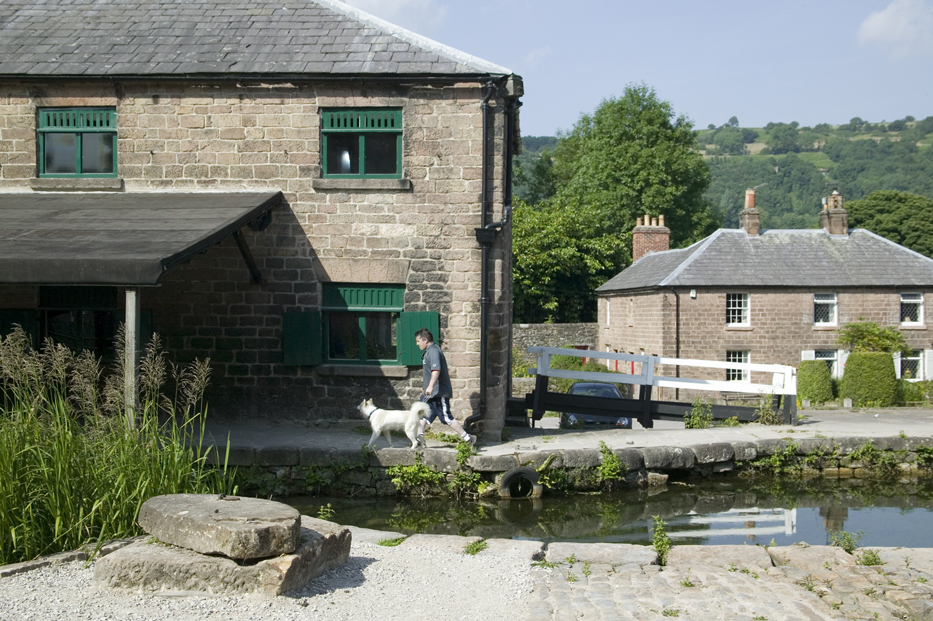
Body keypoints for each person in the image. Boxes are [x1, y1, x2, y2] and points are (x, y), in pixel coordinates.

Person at [415, 327, 475, 448]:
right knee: (422, 414)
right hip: (431, 393)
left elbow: (436, 370)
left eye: (418, 341)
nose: (417, 344)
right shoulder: (429, 351)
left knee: (446, 417)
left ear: (425, 340)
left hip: (438, 392)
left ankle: (468, 439)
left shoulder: (434, 351)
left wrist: (430, 386)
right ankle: (419, 438)